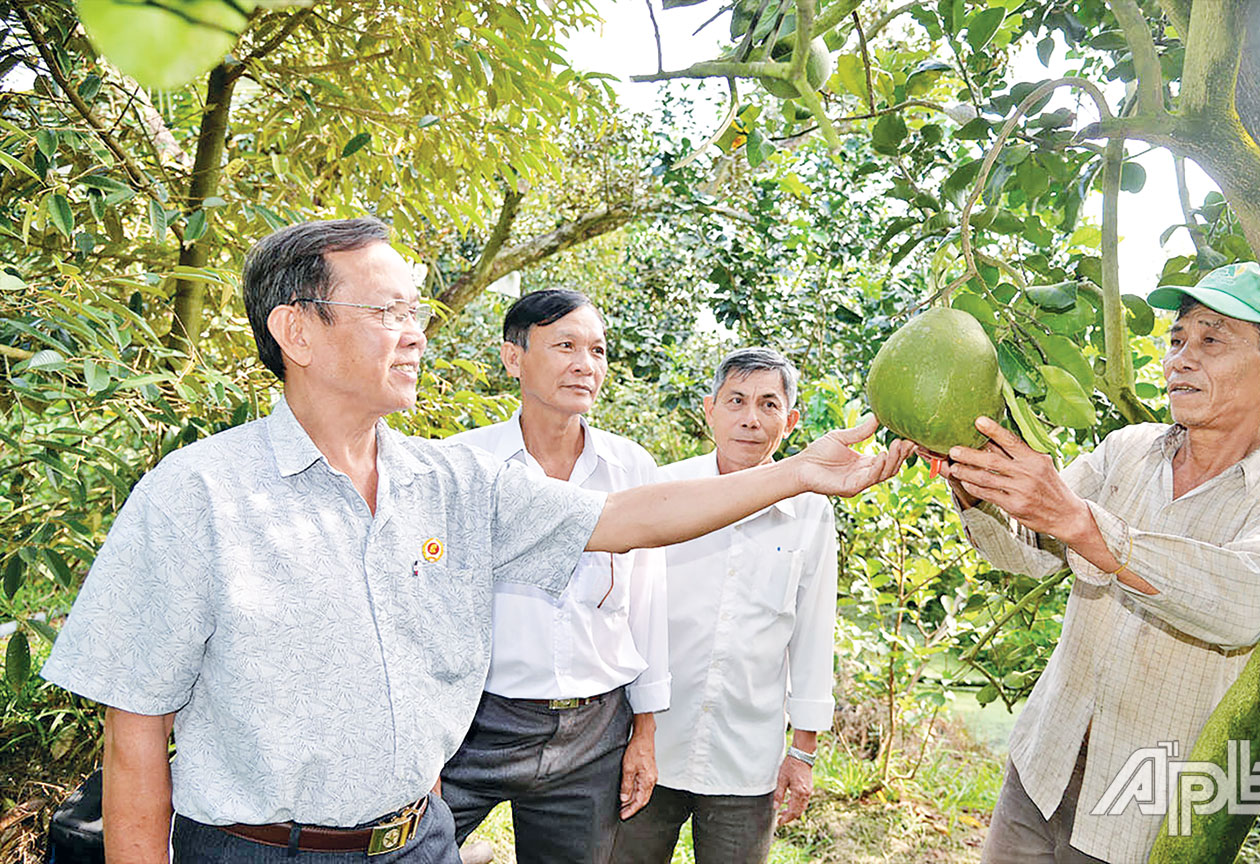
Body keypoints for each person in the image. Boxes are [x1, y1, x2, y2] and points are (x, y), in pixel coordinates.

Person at [39, 218, 912, 864]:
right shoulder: (197, 495)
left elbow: (627, 519)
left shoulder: (449, 484)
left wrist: (796, 474)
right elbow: (135, 730)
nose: (417, 332)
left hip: (419, 842)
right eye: (387, 311)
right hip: (258, 849)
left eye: (416, 311)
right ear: (297, 331)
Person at [939, 262, 1260, 864]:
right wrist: (978, 492)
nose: (1182, 358)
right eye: (1177, 339)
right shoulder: (1127, 450)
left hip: (1142, 807)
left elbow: (1246, 600)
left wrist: (1087, 527)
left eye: (1211, 340)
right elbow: (1030, 555)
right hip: (1044, 762)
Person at [440, 289, 669, 863]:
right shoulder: (463, 465)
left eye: (597, 350)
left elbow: (646, 605)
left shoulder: (631, 467)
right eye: (564, 346)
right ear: (513, 359)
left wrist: (644, 731)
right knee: (414, 852)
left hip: (593, 731)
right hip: (477, 723)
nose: (585, 365)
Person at [612, 347, 838, 864]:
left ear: (791, 419)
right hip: (646, 747)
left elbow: (812, 635)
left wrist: (801, 753)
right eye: (736, 401)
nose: (751, 419)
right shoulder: (664, 489)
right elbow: (622, 615)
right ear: (710, 409)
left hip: (747, 756)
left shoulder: (810, 510)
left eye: (768, 405)